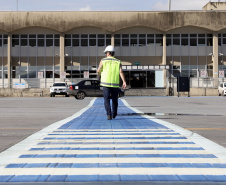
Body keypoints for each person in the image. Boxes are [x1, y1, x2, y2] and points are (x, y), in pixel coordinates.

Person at [97, 45, 127, 120]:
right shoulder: (118, 61)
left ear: (108, 53)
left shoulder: (103, 60)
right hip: (115, 84)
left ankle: (109, 114)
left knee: (106, 99)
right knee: (115, 99)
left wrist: (99, 74)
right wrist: (124, 81)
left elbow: (98, 70)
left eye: (106, 52)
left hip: (105, 83)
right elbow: (121, 72)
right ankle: (114, 114)